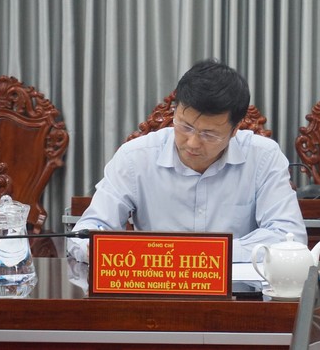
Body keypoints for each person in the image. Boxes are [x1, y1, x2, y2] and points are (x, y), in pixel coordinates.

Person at [67, 59, 307, 263]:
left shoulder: (263, 157)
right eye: (185, 126)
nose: (192, 142)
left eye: (209, 134)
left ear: (235, 130)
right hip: (153, 294)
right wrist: (98, 248)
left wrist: (203, 254)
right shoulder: (135, 157)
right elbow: (87, 232)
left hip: (238, 298)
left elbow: (289, 236)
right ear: (174, 112)